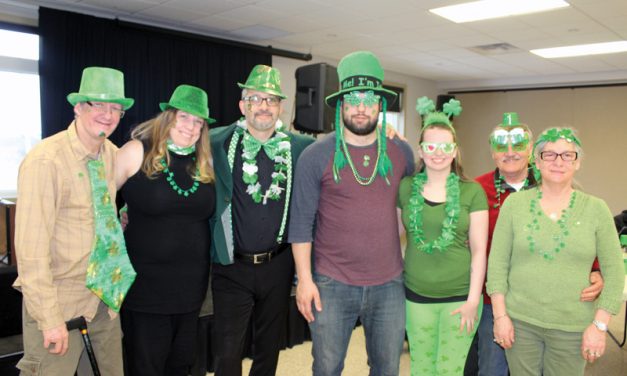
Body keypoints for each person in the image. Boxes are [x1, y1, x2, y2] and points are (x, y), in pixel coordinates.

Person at [289, 50, 415, 376]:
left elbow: (414, 207)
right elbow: (300, 224)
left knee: (387, 368)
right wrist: (304, 280)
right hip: (332, 282)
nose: (361, 108)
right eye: (353, 99)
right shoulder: (315, 156)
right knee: (328, 368)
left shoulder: (401, 153)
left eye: (369, 99)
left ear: (380, 105)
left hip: (389, 284)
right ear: (341, 104)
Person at [14, 67, 135, 375]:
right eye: (98, 105)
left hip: (104, 303)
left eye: (115, 108)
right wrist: (49, 318)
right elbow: (30, 250)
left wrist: (121, 222)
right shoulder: (46, 161)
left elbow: (106, 211)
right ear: (79, 106)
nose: (108, 115)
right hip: (60, 305)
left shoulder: (111, 153)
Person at [470, 114, 604, 376]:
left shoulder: (553, 180)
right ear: (492, 152)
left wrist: (596, 269)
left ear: (531, 149)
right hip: (493, 301)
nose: (510, 153)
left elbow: (579, 232)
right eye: (501, 147)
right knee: (491, 369)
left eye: (518, 145)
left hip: (542, 303)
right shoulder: (477, 189)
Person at [209, 65, 314, 376]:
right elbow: (177, 143)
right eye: (256, 99)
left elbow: (338, 147)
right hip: (231, 266)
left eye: (271, 99)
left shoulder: (300, 148)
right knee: (227, 353)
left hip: (277, 266)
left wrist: (386, 133)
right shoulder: (218, 142)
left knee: (269, 349)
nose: (264, 106)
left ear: (280, 106)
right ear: (243, 106)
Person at [115, 84, 216, 375]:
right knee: (146, 366)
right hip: (146, 289)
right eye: (184, 117)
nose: (191, 127)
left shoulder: (203, 162)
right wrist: (120, 217)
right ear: (168, 116)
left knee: (180, 365)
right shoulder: (137, 151)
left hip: (190, 290)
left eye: (198, 122)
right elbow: (100, 200)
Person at [399, 97, 488, 376]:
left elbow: (479, 250)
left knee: (450, 370)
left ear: (455, 151)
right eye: (431, 146)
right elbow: (393, 236)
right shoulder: (405, 188)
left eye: (445, 146)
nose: (438, 153)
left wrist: (473, 300)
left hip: (460, 298)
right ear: (421, 151)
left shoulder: (472, 192)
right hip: (416, 297)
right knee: (422, 369)